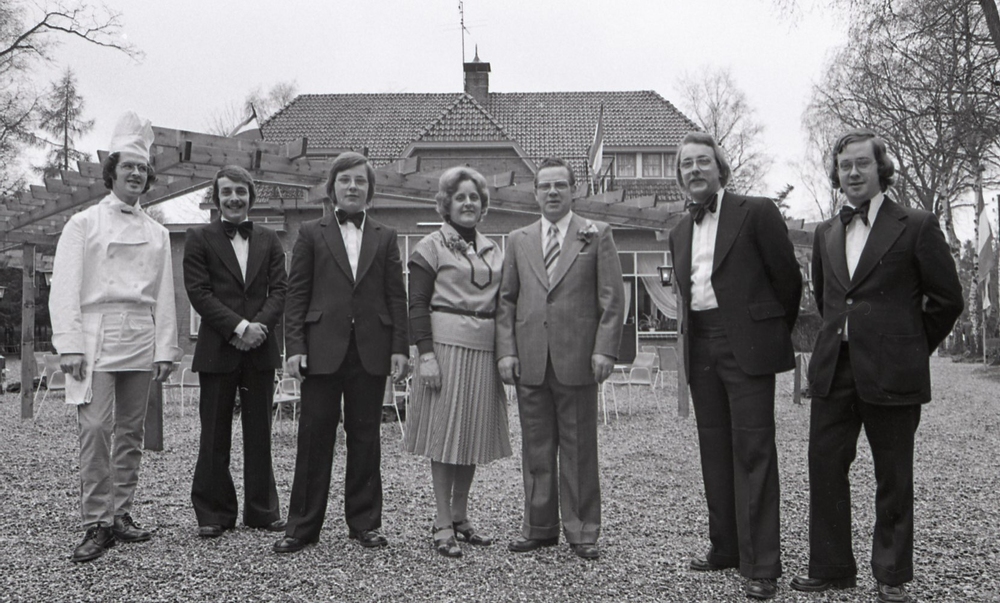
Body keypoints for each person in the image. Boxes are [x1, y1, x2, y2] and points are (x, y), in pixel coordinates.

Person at [790, 129, 963, 603]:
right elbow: (830, 300)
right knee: (825, 467)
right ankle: (831, 568)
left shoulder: (917, 225)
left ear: (881, 168)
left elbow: (948, 300)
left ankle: (891, 574)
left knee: (893, 475)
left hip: (893, 372)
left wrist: (909, 348)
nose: (852, 172)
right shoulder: (826, 231)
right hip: (834, 370)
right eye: (844, 165)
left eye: (862, 163)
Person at [667, 131, 801, 600]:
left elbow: (788, 281)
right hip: (700, 345)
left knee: (753, 452)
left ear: (720, 168)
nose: (695, 169)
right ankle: (724, 547)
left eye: (703, 161)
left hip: (746, 344)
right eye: (686, 164)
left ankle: (761, 564)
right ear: (680, 175)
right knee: (714, 449)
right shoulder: (679, 231)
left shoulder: (756, 212)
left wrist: (761, 333)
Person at [49, 111, 182, 563]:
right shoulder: (83, 224)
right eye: (128, 166)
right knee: (94, 428)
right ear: (112, 171)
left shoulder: (158, 233)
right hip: (95, 336)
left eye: (143, 168)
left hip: (140, 336)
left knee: (131, 430)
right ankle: (96, 521)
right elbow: (64, 287)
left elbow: (164, 293)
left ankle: (120, 512)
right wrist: (69, 344)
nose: (136, 174)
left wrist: (166, 347)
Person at [274, 152, 409, 554]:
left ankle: (365, 523)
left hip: (371, 349)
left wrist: (399, 348)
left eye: (360, 181)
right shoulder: (310, 233)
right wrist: (294, 347)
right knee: (314, 436)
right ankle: (302, 527)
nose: (353, 186)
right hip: (320, 350)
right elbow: (297, 295)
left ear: (370, 189)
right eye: (345, 180)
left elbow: (396, 296)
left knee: (366, 437)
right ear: (332, 187)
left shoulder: (385, 236)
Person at [495, 156, 624, 561]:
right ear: (534, 194)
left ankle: (582, 530)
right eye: (545, 186)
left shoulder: (596, 234)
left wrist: (604, 348)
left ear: (574, 190)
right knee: (536, 448)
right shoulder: (518, 239)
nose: (552, 192)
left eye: (560, 185)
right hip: (530, 360)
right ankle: (539, 528)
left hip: (579, 360)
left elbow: (612, 300)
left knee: (579, 448)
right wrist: (506, 351)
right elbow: (506, 301)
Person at [405, 166, 512, 558]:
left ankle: (461, 516)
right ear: (446, 204)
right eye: (460, 197)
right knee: (445, 435)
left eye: (475, 198)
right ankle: (441, 521)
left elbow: (506, 304)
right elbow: (417, 304)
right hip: (445, 350)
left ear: (483, 206)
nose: (468, 203)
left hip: (484, 351)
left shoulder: (494, 250)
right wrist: (426, 356)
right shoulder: (430, 246)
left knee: (472, 435)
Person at [184, 165, 287, 539]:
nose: (234, 198)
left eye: (241, 191)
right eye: (226, 191)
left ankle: (262, 511)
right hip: (218, 348)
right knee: (214, 434)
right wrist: (239, 327)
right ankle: (214, 513)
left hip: (260, 348)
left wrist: (257, 329)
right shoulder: (199, 238)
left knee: (260, 433)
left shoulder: (270, 239)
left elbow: (280, 290)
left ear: (251, 197)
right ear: (217, 197)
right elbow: (199, 292)